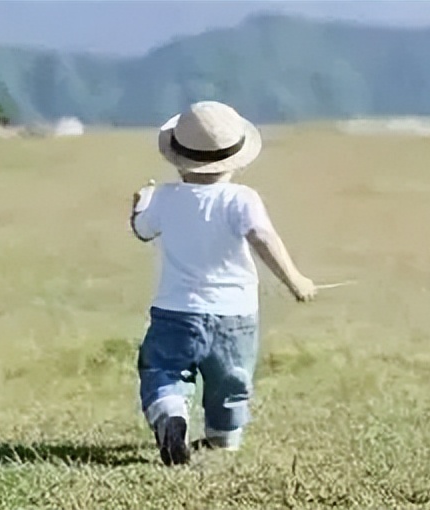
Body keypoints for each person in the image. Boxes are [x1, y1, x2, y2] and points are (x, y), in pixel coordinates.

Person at [129, 100, 317, 466]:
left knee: (163, 371)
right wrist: (295, 280)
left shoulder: (164, 198)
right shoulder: (242, 199)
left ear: (177, 157)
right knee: (230, 382)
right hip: (235, 315)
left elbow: (141, 230)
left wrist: (138, 205)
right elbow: (263, 238)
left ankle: (170, 414)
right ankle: (223, 439)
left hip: (175, 311)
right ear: (237, 159)